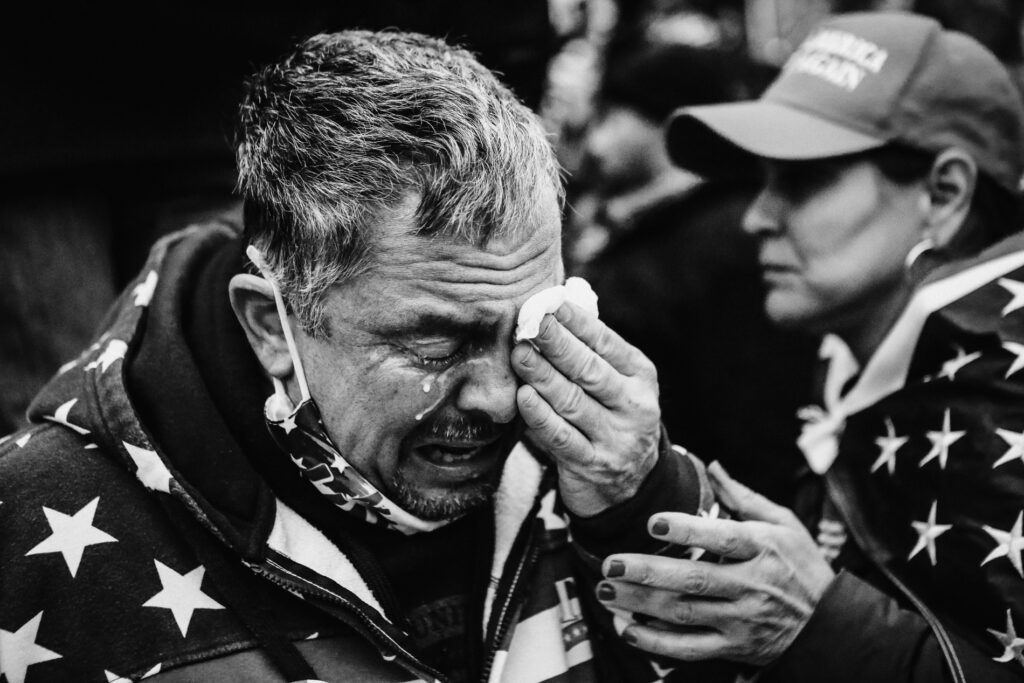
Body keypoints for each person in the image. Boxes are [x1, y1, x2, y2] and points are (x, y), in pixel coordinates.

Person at [0, 30, 715, 683]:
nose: (502, 398)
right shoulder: (36, 527)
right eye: (436, 342)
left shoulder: (602, 457)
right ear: (270, 323)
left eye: (532, 325)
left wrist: (644, 507)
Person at [593, 11, 1024, 682]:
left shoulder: (1001, 403)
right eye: (761, 181)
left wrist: (820, 626)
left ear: (944, 193)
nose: (757, 216)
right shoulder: (875, 369)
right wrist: (632, 486)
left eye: (801, 179)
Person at [577, 41, 817, 507]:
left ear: (661, 122)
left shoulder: (725, 244)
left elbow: (749, 413)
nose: (593, 140)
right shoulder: (647, 230)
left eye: (612, 113)